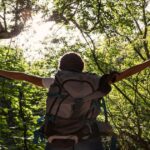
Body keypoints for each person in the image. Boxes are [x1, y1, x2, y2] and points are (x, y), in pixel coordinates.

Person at [0, 52, 149, 150]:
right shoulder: (96, 82)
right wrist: (147, 63)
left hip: (56, 138)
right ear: (81, 67)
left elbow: (24, 76)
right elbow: (125, 74)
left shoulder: (55, 82)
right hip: (88, 138)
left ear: (61, 67)